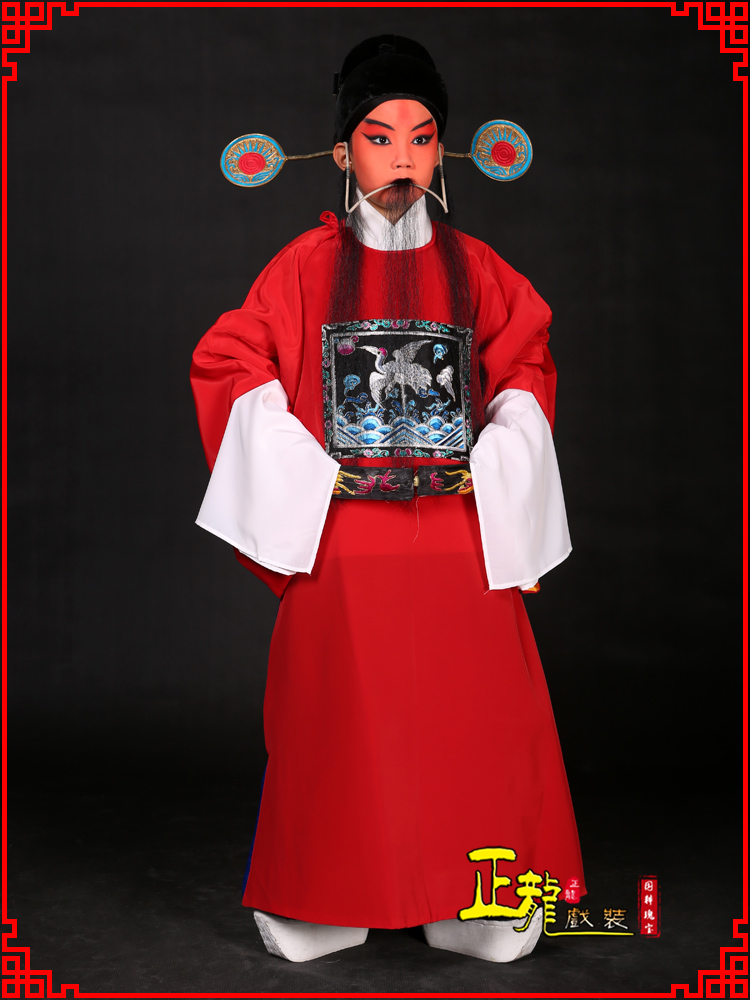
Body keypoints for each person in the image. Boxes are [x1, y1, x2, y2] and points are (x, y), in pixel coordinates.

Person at [191, 35, 585, 964]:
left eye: (420, 138)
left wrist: (496, 458)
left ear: (443, 152)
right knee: (338, 728)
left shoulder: (479, 268)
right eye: (379, 138)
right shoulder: (300, 268)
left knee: (476, 725)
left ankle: (475, 897)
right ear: (342, 153)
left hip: (457, 535)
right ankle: (327, 898)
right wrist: (308, 472)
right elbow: (231, 360)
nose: (401, 159)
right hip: (344, 540)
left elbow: (525, 365)